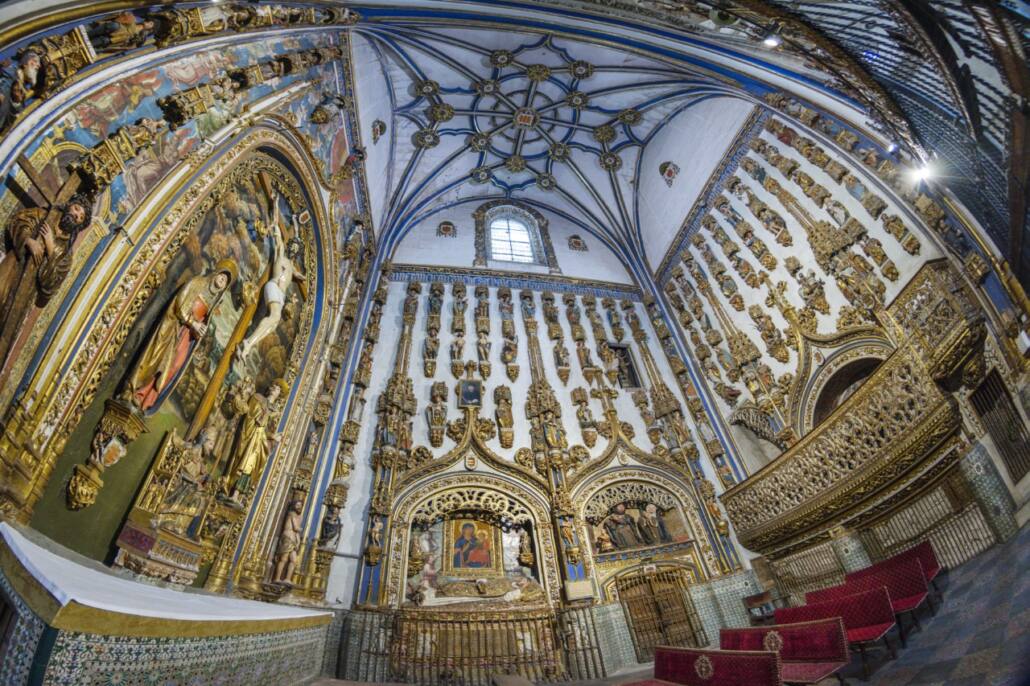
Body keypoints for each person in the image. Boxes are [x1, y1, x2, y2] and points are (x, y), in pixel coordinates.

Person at [124, 262, 235, 412]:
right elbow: (180, 303)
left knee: (174, 366)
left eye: (226, 281)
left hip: (187, 336)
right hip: (175, 326)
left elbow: (202, 321)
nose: (223, 280)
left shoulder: (213, 302)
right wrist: (192, 322)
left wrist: (199, 330)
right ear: (216, 273)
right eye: (222, 276)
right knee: (157, 357)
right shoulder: (198, 283)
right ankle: (137, 392)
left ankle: (147, 400)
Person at [0, 196, 93, 369]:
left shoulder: (66, 255)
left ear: (79, 225)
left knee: (6, 326)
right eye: (77, 209)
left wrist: (50, 249)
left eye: (80, 217)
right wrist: (28, 240)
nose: (76, 215)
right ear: (69, 205)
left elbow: (51, 286)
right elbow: (18, 221)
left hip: (26, 292)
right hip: (12, 268)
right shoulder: (44, 216)